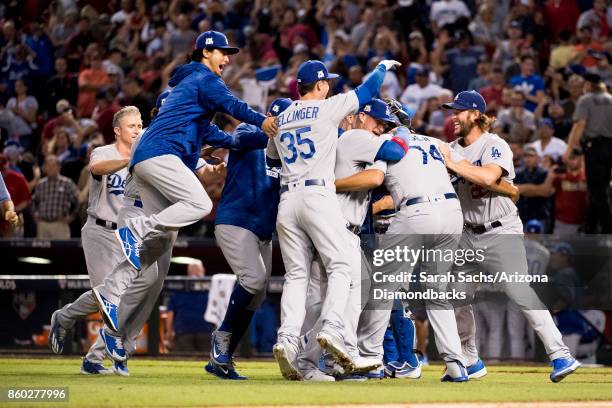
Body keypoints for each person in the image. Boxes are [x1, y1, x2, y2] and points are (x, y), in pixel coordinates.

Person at [266, 58, 401, 381]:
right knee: (342, 267)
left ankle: (286, 339)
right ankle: (332, 329)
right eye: (328, 83)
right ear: (322, 85)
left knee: (297, 276)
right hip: (317, 194)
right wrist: (381, 68)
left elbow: (271, 159)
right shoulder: (326, 107)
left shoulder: (282, 116)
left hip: (287, 199)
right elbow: (368, 89)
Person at [439, 90, 580, 383]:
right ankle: (470, 359)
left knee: (519, 292)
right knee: (457, 296)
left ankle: (561, 354)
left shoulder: (494, 144)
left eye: (459, 111)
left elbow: (490, 177)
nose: (454, 116)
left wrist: (452, 163)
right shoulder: (449, 148)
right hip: (467, 233)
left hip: (500, 229)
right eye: (452, 111)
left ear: (476, 115)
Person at [112, 30, 277, 280]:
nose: (227, 59)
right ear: (206, 52)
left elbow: (215, 133)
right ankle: (135, 229)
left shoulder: (190, 83)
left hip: (147, 160)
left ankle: (113, 288)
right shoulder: (205, 78)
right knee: (199, 204)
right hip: (161, 154)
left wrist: (236, 142)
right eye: (222, 52)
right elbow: (234, 106)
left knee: (159, 239)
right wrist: (263, 122)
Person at [48, 106, 142, 376]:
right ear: (117, 131)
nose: (137, 129)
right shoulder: (104, 152)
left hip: (128, 235)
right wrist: (130, 161)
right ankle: (90, 352)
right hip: (100, 230)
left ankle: (82, 343)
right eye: (131, 126)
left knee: (124, 297)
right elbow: (97, 168)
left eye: (139, 125)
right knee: (110, 295)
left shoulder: (145, 156)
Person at [207, 98, 292, 380]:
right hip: (236, 220)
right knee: (253, 280)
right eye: (279, 120)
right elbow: (250, 137)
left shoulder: (293, 152)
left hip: (263, 231)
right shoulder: (246, 130)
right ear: (269, 118)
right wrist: (272, 129)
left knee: (257, 295)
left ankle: (223, 359)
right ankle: (221, 337)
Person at [564, 73, 612, 233]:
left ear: (589, 85)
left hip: (595, 148)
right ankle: (590, 226)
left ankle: (607, 227)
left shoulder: (585, 100)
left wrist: (569, 150)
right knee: (601, 187)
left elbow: (580, 126)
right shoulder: (610, 98)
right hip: (610, 147)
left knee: (597, 189)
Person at [166, 260, 214, 353]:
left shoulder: (178, 288)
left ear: (188, 272)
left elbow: (170, 313)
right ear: (203, 270)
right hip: (205, 330)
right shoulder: (211, 288)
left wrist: (169, 333)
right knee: (206, 361)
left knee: (186, 360)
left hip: (183, 331)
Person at [32, 155, 79, 239]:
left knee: (62, 251)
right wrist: (35, 215)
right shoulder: (40, 184)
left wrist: (72, 217)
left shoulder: (67, 183)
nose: (50, 168)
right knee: (41, 252)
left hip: (60, 224)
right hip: (43, 224)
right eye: (48, 166)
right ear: (45, 168)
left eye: (53, 166)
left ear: (58, 167)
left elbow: (78, 201)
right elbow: (33, 202)